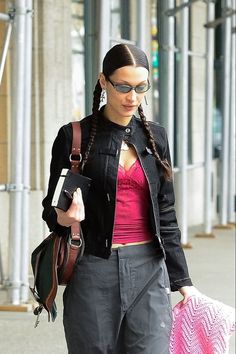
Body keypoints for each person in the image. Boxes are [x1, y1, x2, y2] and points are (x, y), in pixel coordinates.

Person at [42, 44, 199, 354]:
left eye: (141, 87)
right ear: (104, 82)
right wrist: (66, 218)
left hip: (150, 268)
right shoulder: (75, 137)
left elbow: (165, 213)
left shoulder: (156, 137)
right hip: (92, 267)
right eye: (123, 86)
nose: (132, 97)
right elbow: (52, 210)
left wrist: (183, 279)